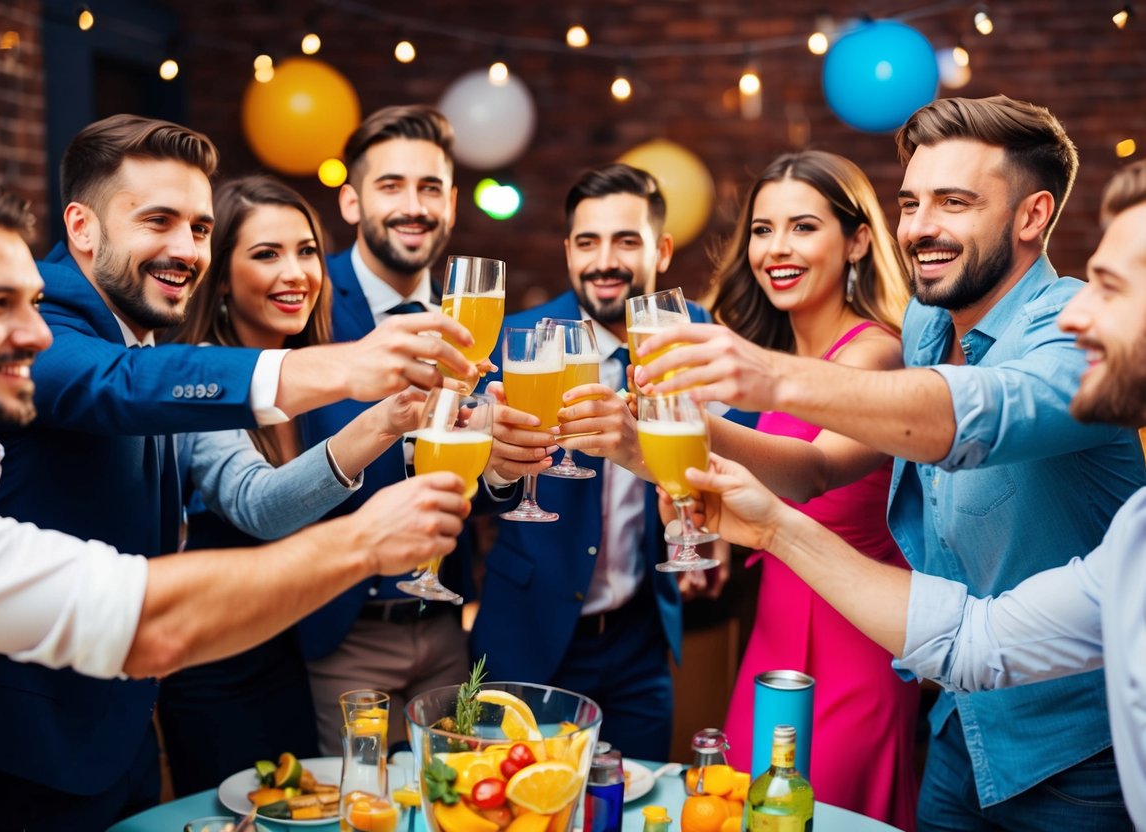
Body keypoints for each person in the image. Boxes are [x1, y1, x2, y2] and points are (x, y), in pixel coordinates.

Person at [0, 115, 477, 832]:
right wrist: (340, 367)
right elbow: (116, 384)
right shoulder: (44, 317)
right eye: (158, 220)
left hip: (123, 721)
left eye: (199, 228)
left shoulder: (149, 334)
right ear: (82, 228)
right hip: (31, 743)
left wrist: (385, 419)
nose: (185, 249)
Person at [637, 96, 1145, 828]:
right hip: (958, 723)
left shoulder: (1070, 336)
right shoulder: (925, 322)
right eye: (909, 202)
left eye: (953, 202)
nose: (918, 227)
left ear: (1031, 217)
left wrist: (769, 377)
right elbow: (829, 471)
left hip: (1070, 756)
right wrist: (639, 443)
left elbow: (975, 414)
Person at [158, 175, 435, 795]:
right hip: (218, 670)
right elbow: (262, 507)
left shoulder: (318, 374)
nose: (295, 273)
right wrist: (384, 421)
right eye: (266, 254)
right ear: (220, 277)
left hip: (296, 658)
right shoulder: (205, 375)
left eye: (307, 251)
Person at [473, 163, 747, 760]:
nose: (605, 261)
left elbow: (742, 449)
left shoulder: (693, 334)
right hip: (529, 636)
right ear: (569, 250)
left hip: (640, 641)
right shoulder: (517, 340)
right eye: (589, 242)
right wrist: (496, 469)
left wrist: (712, 529)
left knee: (626, 801)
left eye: (626, 241)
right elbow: (465, 486)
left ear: (663, 249)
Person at [702, 150, 918, 830]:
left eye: (801, 227)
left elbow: (811, 469)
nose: (776, 248)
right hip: (771, 633)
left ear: (856, 239)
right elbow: (754, 486)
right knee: (748, 812)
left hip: (855, 641)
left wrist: (690, 427)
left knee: (824, 815)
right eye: (761, 230)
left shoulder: (874, 352)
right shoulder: (781, 358)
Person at [297, 105, 511, 754]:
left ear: (450, 203)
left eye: (429, 189)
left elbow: (471, 480)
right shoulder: (304, 298)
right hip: (341, 628)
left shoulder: (470, 312)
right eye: (390, 186)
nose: (412, 206)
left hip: (447, 625)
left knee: (452, 806)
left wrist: (500, 467)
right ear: (352, 203)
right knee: (359, 808)